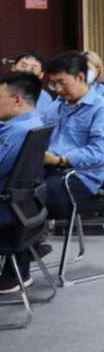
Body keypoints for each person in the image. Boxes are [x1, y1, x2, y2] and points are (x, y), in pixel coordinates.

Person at [41, 51, 104, 219]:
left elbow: (100, 152)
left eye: (62, 83)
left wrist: (61, 160)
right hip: (50, 168)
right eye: (53, 84)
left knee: (36, 195)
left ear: (81, 78)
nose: (58, 90)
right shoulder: (55, 107)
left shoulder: (103, 109)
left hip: (81, 175)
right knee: (14, 186)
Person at [0, 72, 46, 294]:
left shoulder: (17, 132)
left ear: (17, 99)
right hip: (22, 208)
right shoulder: (34, 123)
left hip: (6, 211)